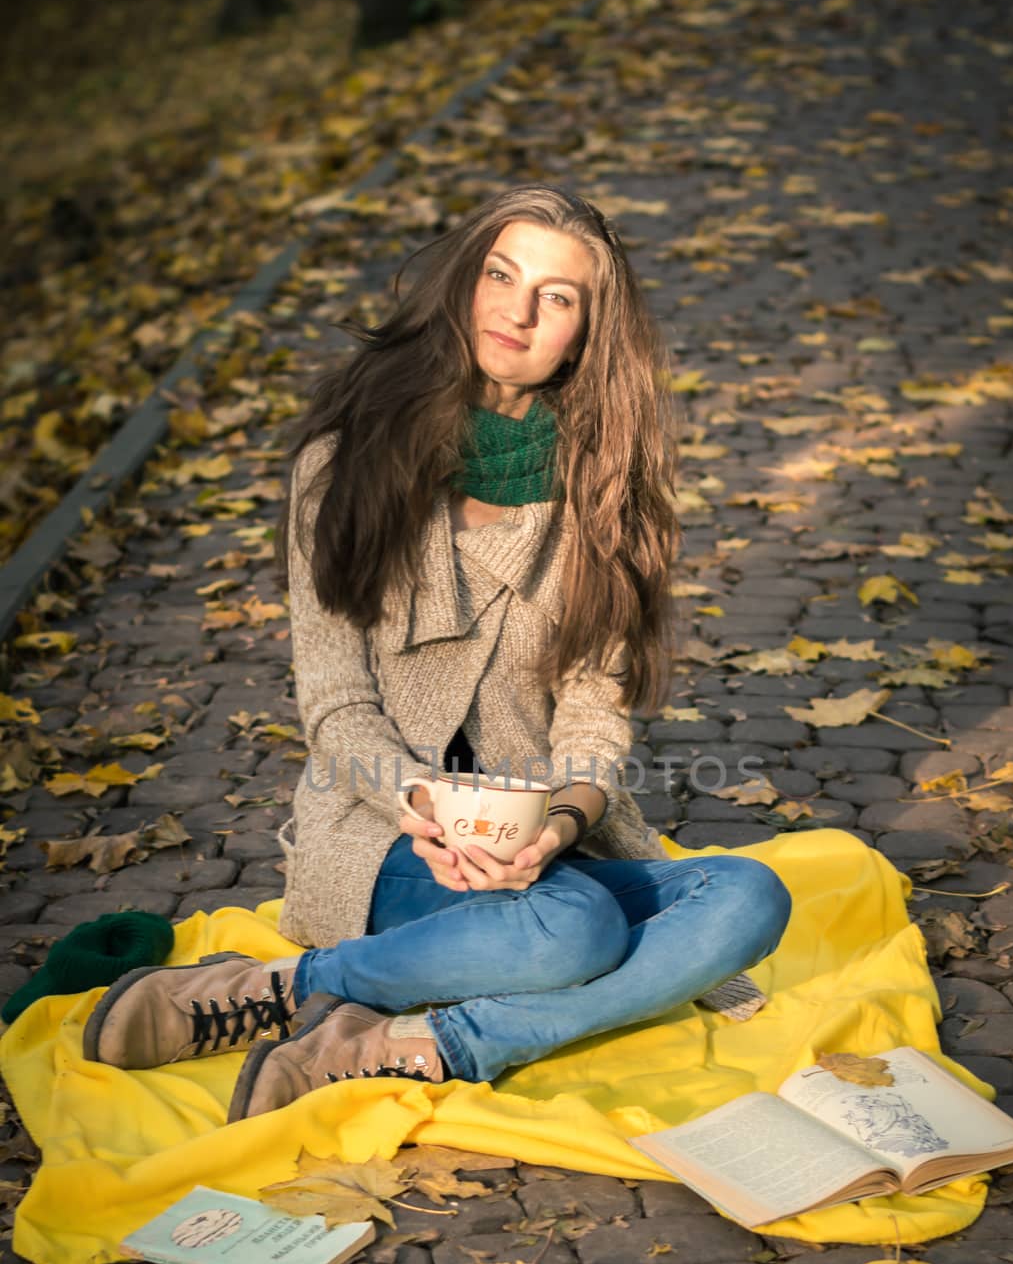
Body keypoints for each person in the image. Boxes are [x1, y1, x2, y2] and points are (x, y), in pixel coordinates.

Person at [84, 184, 792, 1121]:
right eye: (502, 274)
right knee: (573, 930)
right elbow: (335, 703)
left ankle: (405, 1038)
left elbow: (593, 710)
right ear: (465, 282)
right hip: (387, 831)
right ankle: (293, 984)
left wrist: (561, 826)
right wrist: (421, 803)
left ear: (585, 333)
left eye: (558, 296)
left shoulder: (603, 490)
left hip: (537, 839)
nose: (518, 310)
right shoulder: (346, 462)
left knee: (748, 898)